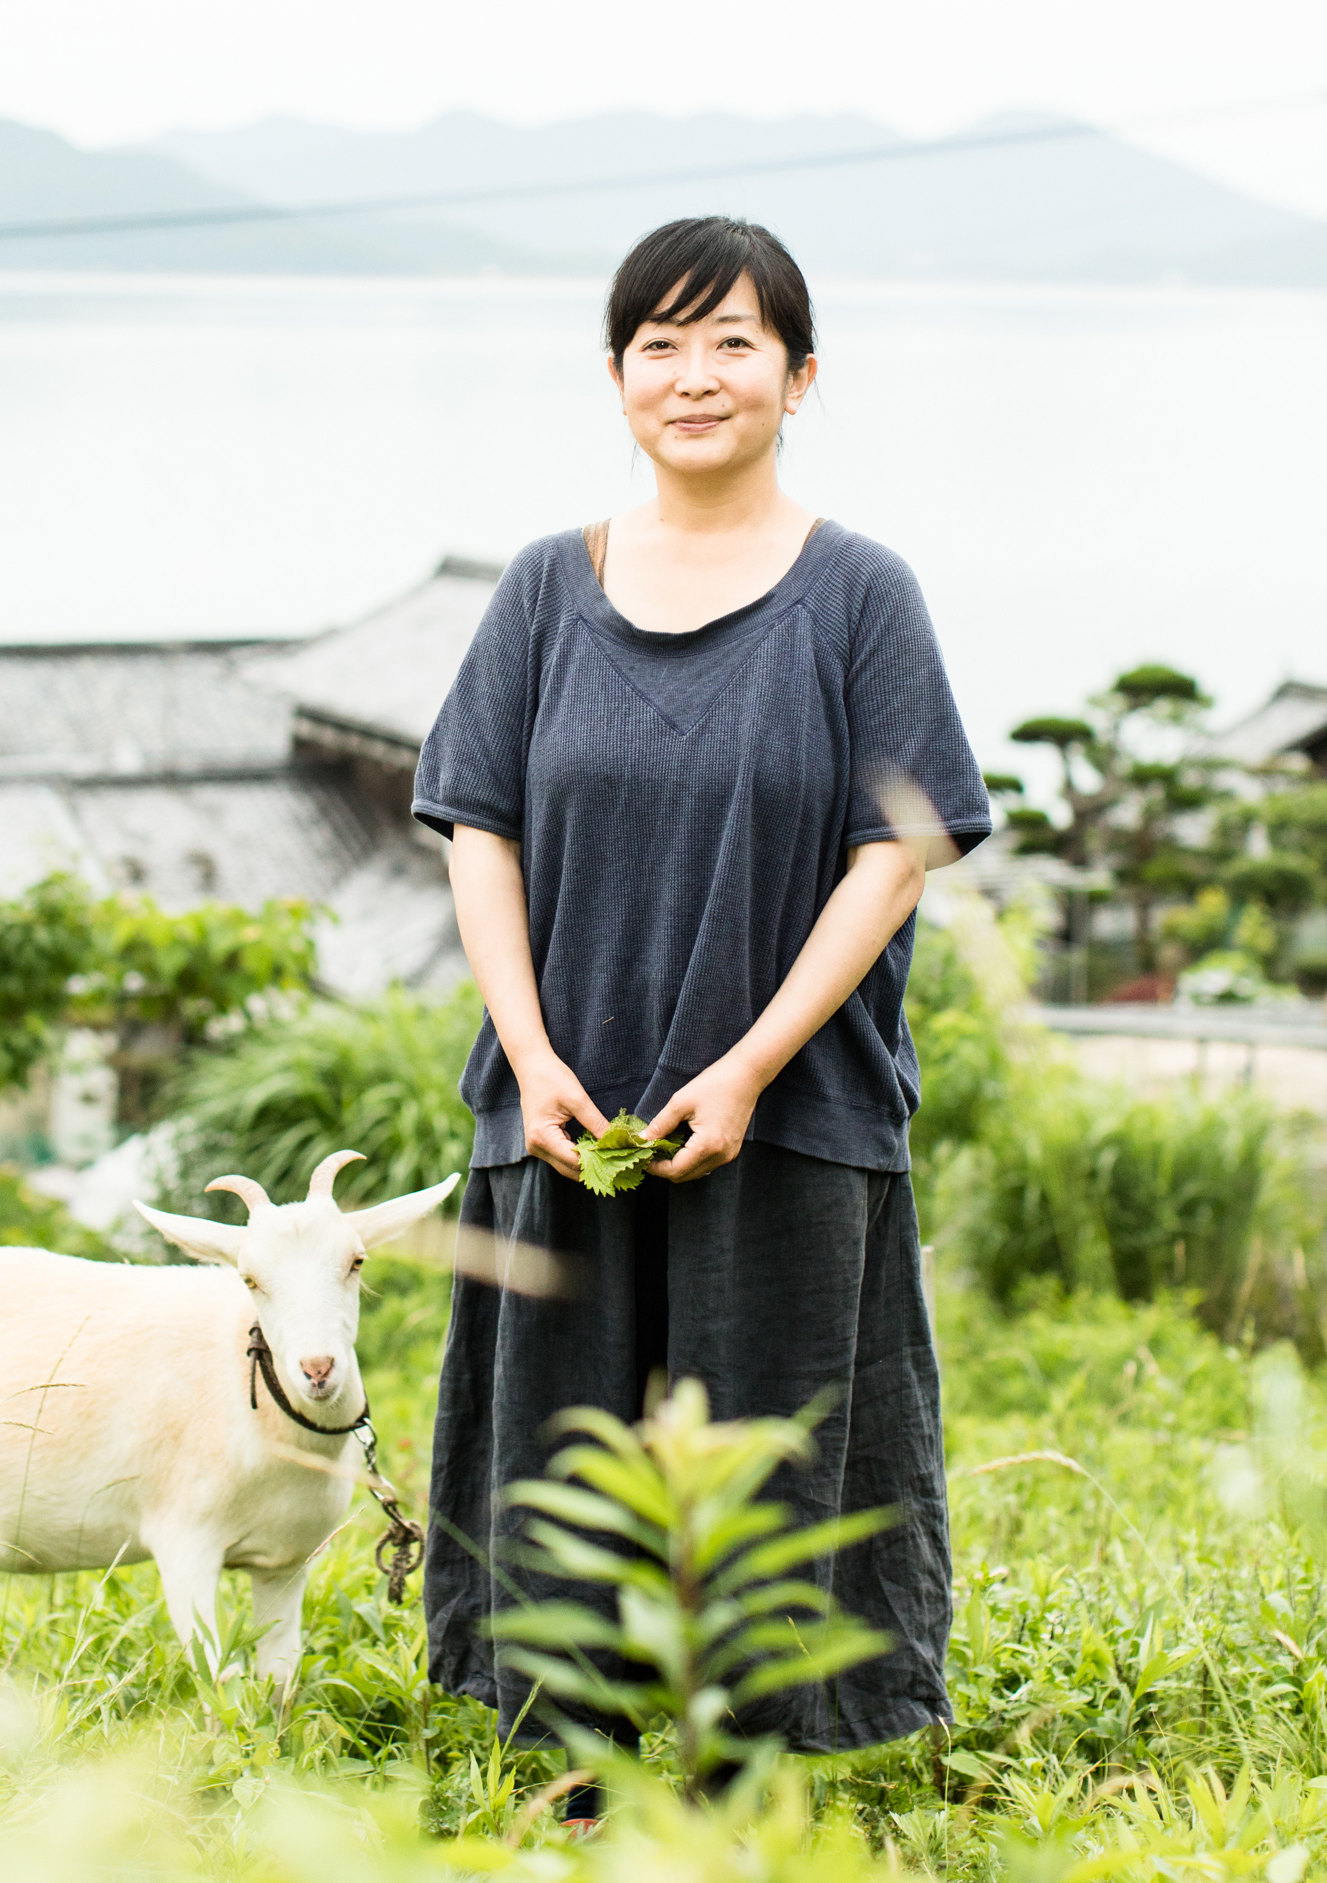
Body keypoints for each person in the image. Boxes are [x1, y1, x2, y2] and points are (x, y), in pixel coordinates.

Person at [411, 216, 992, 1822]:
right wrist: (529, 1062)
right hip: (563, 1108)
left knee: (785, 1455)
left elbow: (901, 851)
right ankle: (568, 1804)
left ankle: (759, 1815)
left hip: (793, 1112)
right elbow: (480, 830)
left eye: (734, 342)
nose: (695, 375)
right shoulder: (544, 591)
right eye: (659, 344)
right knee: (561, 1456)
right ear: (613, 379)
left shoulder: (861, 594)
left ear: (802, 379)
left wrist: (745, 1065)